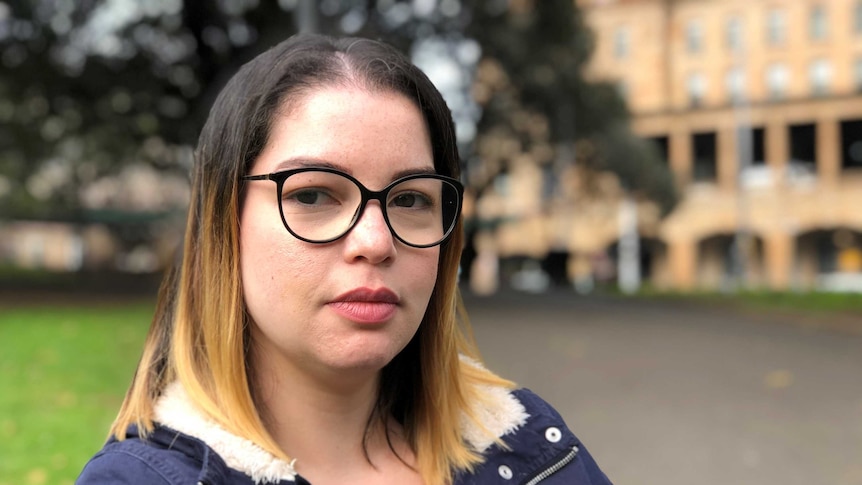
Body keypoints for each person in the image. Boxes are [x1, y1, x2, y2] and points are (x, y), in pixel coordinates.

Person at [76, 33, 612, 485]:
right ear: (223, 223)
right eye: (312, 195)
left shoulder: (532, 451)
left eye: (410, 199)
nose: (376, 242)